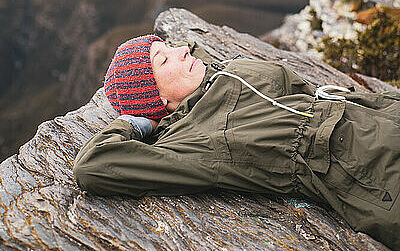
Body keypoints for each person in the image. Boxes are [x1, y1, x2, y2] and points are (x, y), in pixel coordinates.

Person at [73, 34, 400, 251]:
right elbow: (93, 167)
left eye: (168, 45)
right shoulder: (195, 142)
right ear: (155, 97)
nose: (181, 50)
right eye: (163, 60)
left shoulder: (223, 74)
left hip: (381, 114)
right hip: (373, 172)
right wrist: (138, 120)